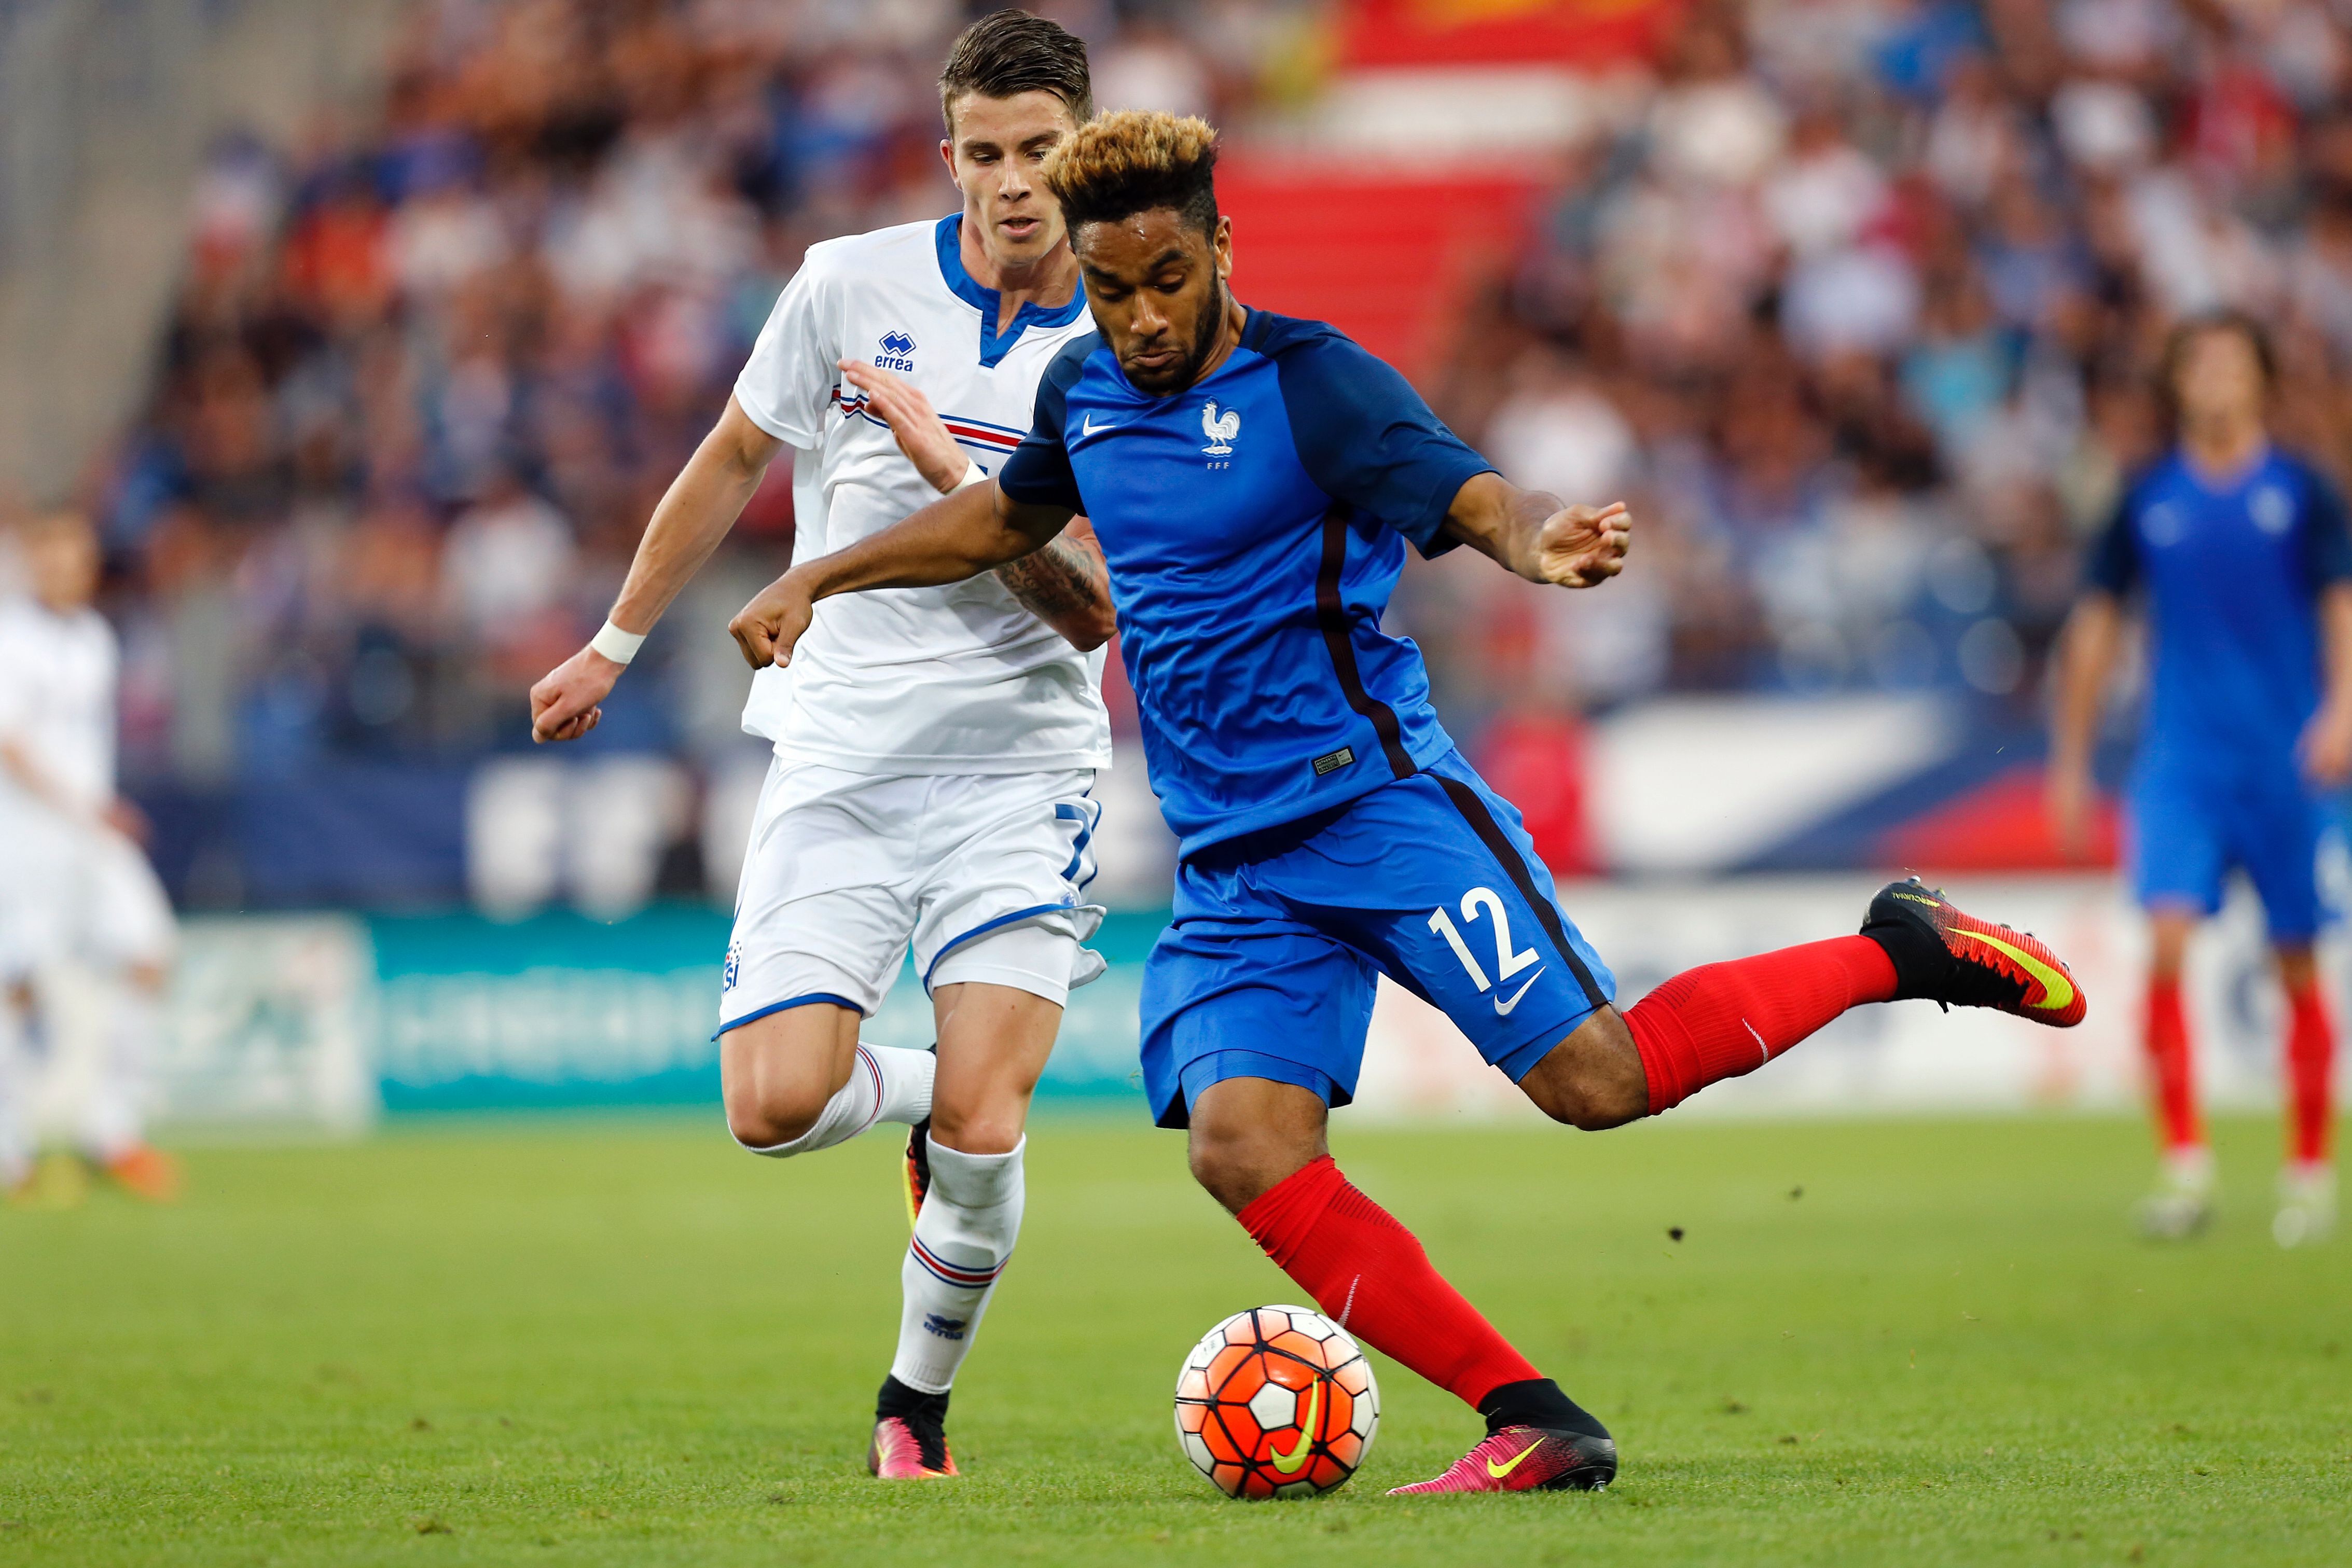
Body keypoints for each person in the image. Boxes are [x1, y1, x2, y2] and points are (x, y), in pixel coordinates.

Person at [727, 109, 2086, 1494]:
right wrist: (816, 576)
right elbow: (1007, 518)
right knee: (1240, 1145)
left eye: (1166, 281)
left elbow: (1465, 491)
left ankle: (1898, 946)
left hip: (1373, 809)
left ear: (1219, 249)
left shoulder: (1313, 385)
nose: (1138, 318)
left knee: (1597, 1081)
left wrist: (1533, 542)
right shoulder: (1081, 389)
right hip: (1233, 864)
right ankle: (1534, 1420)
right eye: (1111, 287)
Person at [527, 11, 1118, 1479]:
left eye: (1040, 153)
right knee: (775, 1108)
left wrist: (952, 476)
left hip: (1016, 768)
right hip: (839, 753)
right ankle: (920, 1093)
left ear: (1087, 158)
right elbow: (731, 456)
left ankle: (910, 1414)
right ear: (947, 158)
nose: (1011, 184)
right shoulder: (843, 284)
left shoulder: (1131, 343)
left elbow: (1093, 613)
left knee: (989, 1129)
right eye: (982, 155)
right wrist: (613, 641)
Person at [2050, 312, 2349, 1247]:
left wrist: (2341, 710)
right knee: (2167, 939)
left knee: (2294, 956)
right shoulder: (2145, 497)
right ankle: (2183, 1167)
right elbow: (2095, 630)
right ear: (2176, 384)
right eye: (2197, 364)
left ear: (2260, 379)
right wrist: (2068, 759)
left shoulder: (2301, 489)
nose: (2213, 379)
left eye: (2229, 361)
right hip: (2179, 760)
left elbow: (2340, 601)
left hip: (2284, 757)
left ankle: (2307, 1170)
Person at [0, 510, 181, 1205]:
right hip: (26, 836)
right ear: (30, 562)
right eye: (47, 555)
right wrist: (85, 806)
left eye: (72, 556)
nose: (61, 568)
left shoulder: (96, 639)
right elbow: (11, 746)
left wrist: (93, 811)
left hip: (90, 833)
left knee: (149, 954)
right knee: (16, 986)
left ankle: (111, 1132)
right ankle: (10, 1149)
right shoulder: (12, 641)